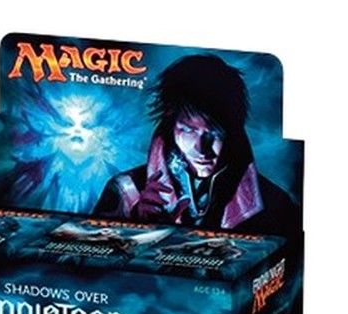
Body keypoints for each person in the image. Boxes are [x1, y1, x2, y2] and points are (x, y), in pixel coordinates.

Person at [93, 55, 300, 236]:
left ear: (232, 132)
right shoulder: (127, 191)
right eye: (188, 130)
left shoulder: (273, 204)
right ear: (171, 126)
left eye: (214, 132)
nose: (201, 148)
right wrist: (134, 230)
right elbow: (87, 261)